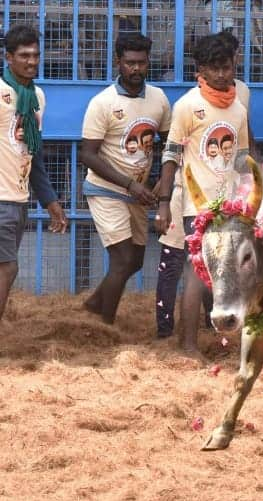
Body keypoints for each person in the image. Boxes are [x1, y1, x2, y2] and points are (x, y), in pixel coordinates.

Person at [154, 32, 249, 356]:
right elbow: (170, 156)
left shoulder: (237, 108)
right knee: (197, 274)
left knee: (222, 274)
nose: (222, 74)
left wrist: (249, 193)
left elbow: (241, 155)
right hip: (197, 206)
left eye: (227, 66)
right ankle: (188, 344)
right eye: (215, 68)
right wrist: (165, 204)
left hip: (231, 205)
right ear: (201, 70)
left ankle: (210, 337)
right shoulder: (187, 106)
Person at [79, 32, 171, 325]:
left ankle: (94, 304)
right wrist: (130, 184)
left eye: (142, 63)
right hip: (105, 189)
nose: (136, 69)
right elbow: (88, 155)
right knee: (122, 259)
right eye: (130, 63)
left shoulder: (159, 98)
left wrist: (161, 181)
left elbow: (170, 145)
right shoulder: (102, 102)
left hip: (139, 193)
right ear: (118, 62)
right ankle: (104, 326)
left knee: (135, 261)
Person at [0, 25, 67, 321]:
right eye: (24, 55)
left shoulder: (36, 95)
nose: (32, 61)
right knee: (8, 267)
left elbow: (33, 151)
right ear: (8, 57)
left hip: (18, 198)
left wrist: (50, 201)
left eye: (36, 55)